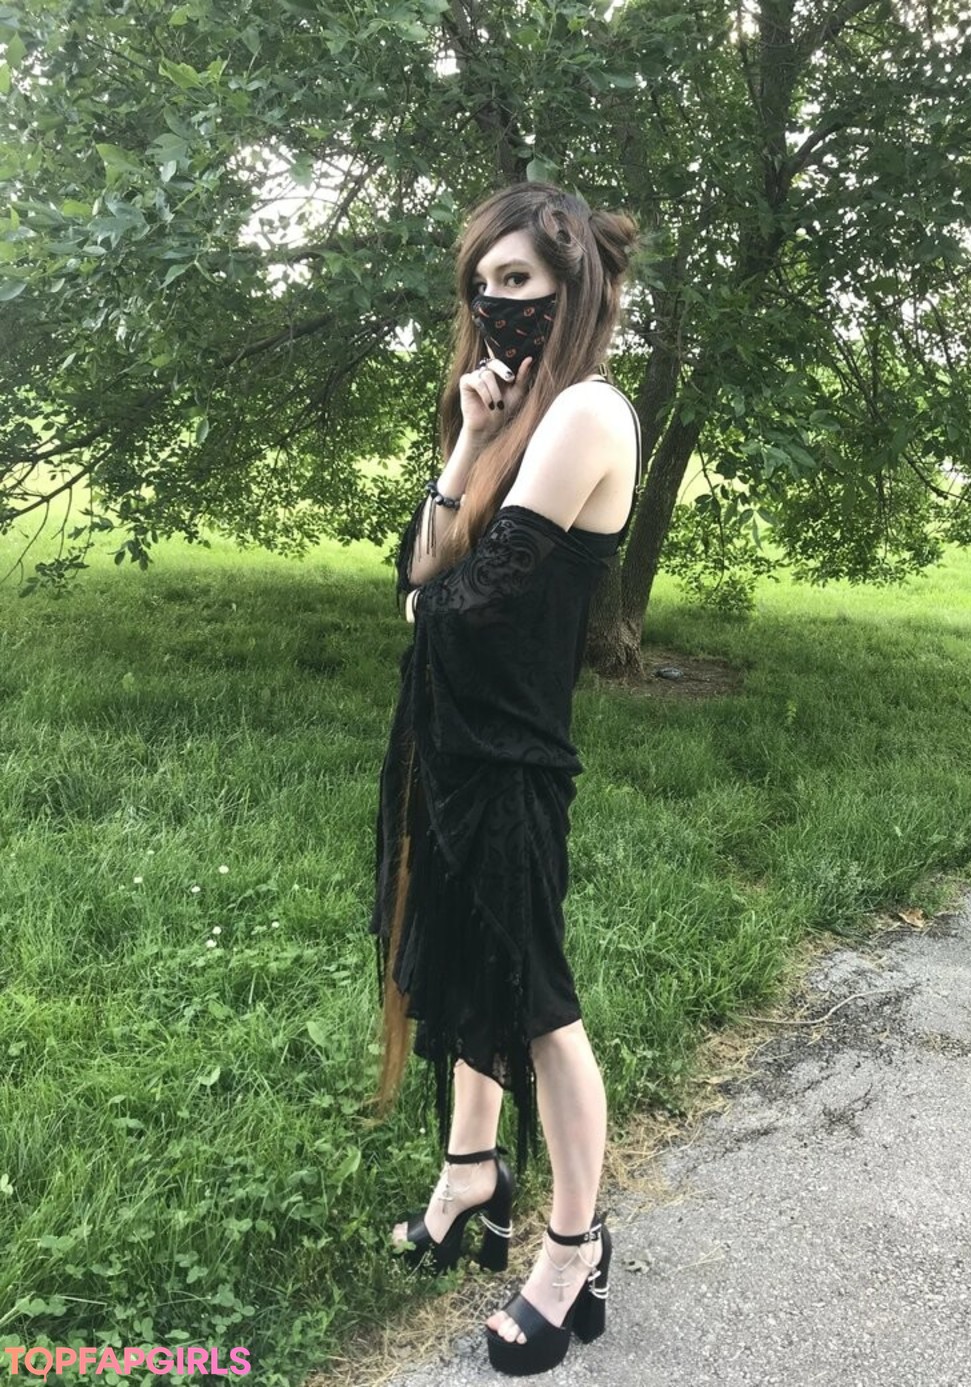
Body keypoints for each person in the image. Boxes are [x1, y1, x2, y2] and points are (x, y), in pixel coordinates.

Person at [367, 181, 642, 1376]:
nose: (494, 304)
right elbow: (416, 572)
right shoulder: (513, 415)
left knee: (536, 1003)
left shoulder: (587, 410)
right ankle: (469, 1178)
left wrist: (429, 598)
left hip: (516, 756)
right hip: (454, 742)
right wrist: (470, 444)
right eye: (482, 284)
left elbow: (466, 604)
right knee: (464, 963)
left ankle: (576, 1248)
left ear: (570, 287)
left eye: (518, 280)